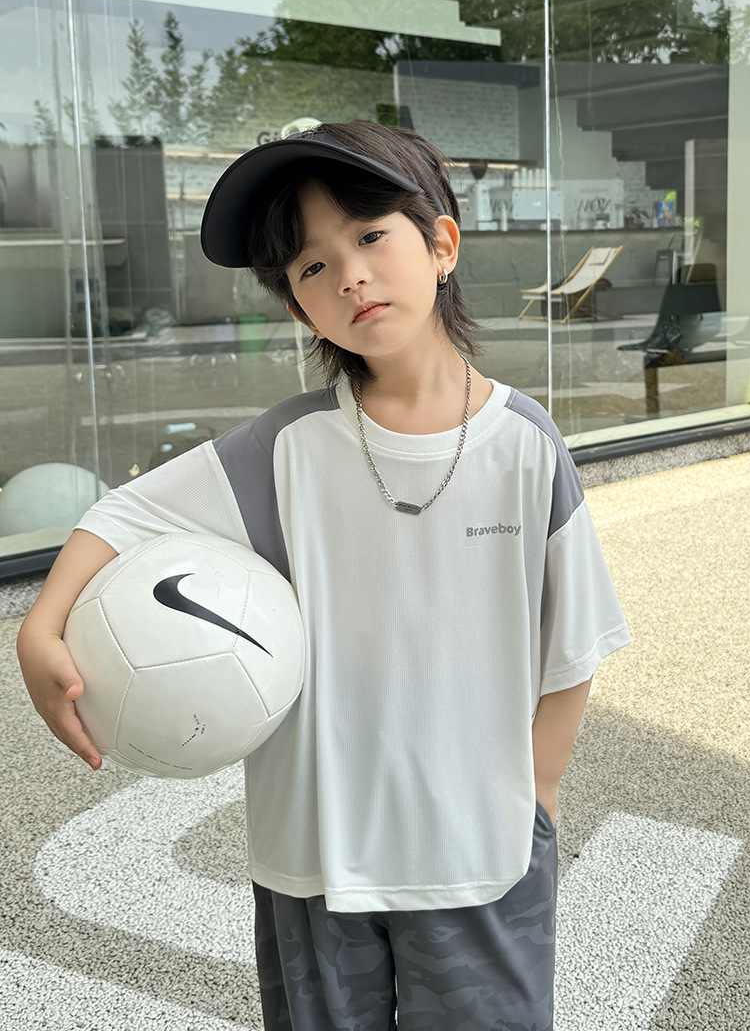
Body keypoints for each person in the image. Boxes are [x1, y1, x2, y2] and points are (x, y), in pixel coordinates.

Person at [17, 120, 630, 1030]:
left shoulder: (524, 446)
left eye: (371, 235)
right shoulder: (285, 447)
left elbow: (573, 645)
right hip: (316, 861)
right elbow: (122, 516)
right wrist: (39, 629)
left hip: (480, 856)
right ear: (301, 308)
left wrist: (533, 798)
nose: (349, 275)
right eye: (311, 266)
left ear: (443, 244)